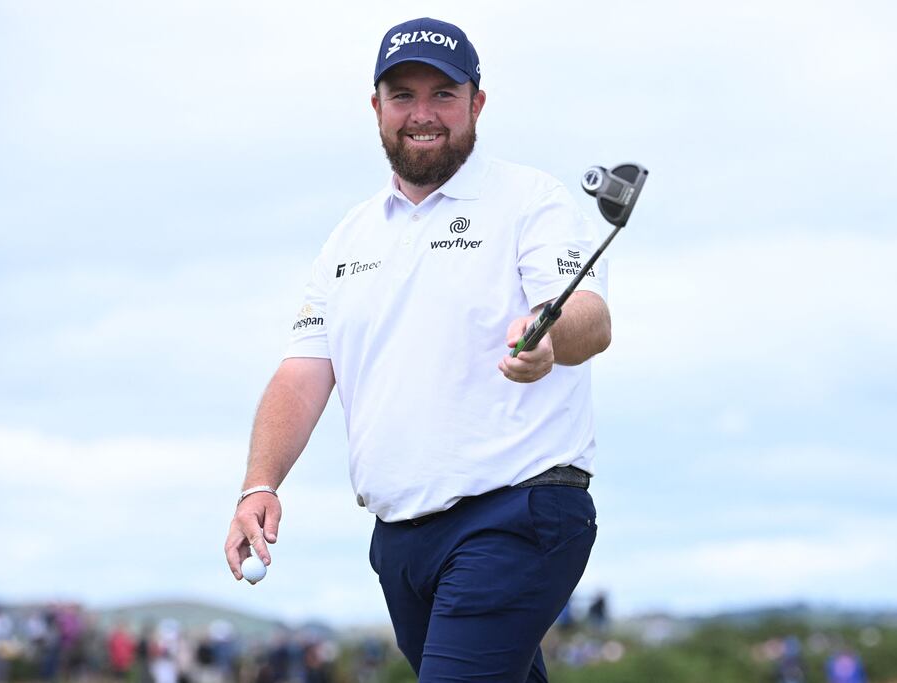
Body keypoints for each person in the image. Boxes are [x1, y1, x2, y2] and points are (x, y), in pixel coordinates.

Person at [224, 16, 612, 682]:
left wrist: (546, 338)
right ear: (376, 108)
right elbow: (303, 371)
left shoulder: (531, 201)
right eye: (403, 95)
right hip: (402, 540)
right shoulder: (348, 238)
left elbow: (588, 314)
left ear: (477, 104)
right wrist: (260, 483)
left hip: (518, 512)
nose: (422, 113)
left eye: (443, 94)